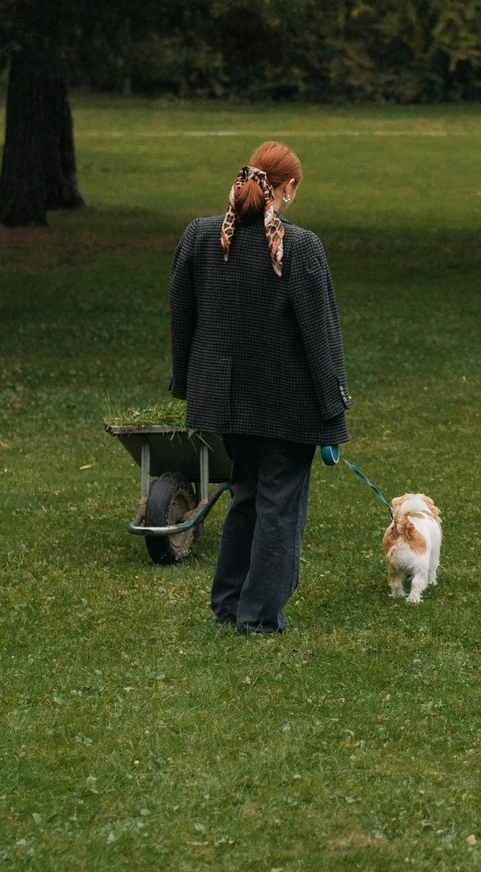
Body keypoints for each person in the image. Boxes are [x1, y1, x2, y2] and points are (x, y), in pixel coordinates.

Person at [169, 141, 351, 633]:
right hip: (288, 410)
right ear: (287, 189)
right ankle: (258, 618)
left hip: (225, 404)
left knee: (248, 496)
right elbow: (321, 336)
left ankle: (229, 606)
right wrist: (334, 417)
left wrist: (188, 386)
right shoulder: (302, 246)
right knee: (277, 508)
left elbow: (182, 316)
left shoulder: (200, 236)